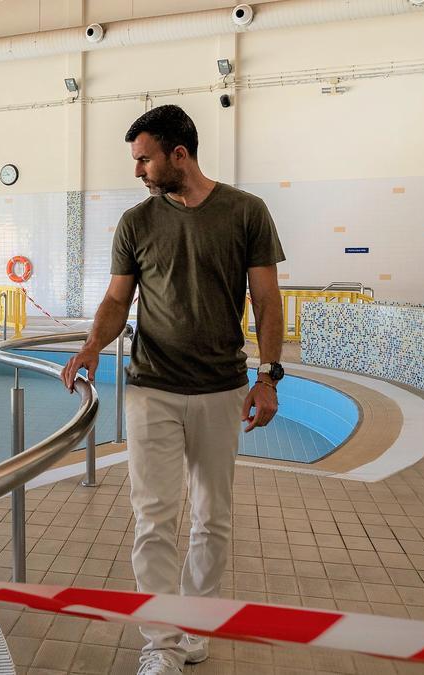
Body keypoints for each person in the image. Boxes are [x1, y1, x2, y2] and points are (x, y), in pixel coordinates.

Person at [59, 104, 286, 675]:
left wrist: (268, 376)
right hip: (152, 388)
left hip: (220, 388)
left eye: (144, 159)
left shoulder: (246, 212)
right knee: (154, 517)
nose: (138, 171)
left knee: (214, 516)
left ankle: (197, 627)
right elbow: (117, 301)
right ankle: (160, 643)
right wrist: (90, 346)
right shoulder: (137, 222)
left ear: (178, 154)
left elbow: (266, 301)